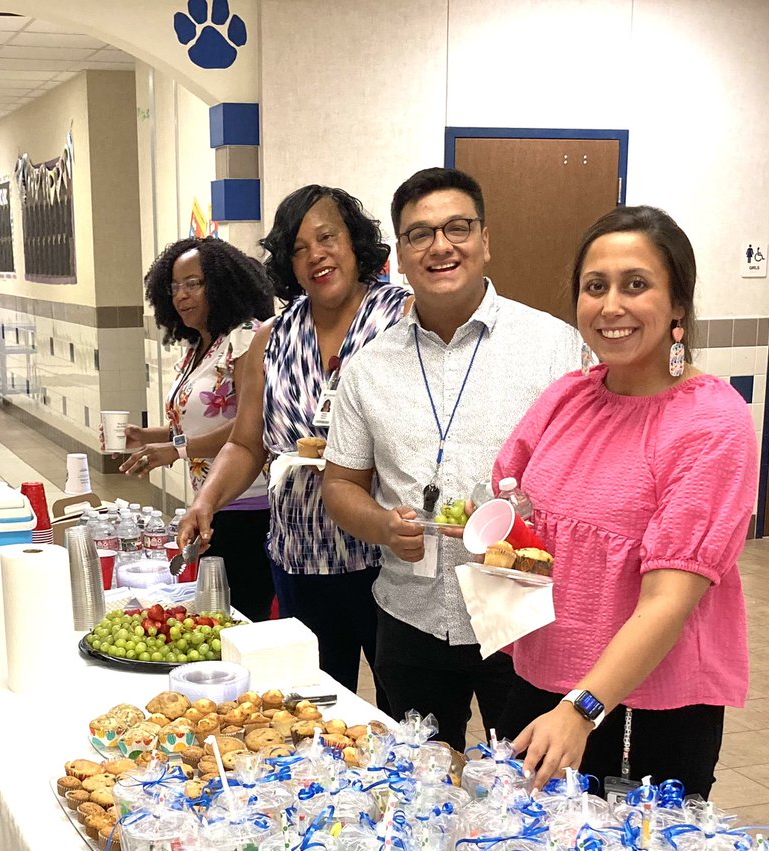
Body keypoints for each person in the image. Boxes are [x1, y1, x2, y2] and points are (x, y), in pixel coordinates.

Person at [494, 205, 758, 795]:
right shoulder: (568, 398)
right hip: (543, 682)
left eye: (635, 285)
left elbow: (670, 599)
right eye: (595, 287)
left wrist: (583, 709)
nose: (611, 305)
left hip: (640, 709)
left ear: (678, 305)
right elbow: (519, 509)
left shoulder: (711, 422)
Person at [323, 167, 582, 750]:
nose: (440, 246)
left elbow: (589, 477)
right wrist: (383, 527)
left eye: (457, 228)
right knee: (422, 781)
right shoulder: (369, 366)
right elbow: (340, 485)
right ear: (401, 255)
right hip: (409, 613)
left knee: (522, 791)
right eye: (420, 234)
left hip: (521, 616)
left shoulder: (554, 348)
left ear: (485, 240)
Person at [178, 186, 412, 697]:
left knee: (399, 709)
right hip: (300, 556)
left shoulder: (402, 319)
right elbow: (246, 444)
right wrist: (206, 500)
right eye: (298, 249)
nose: (315, 256)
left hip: (387, 556)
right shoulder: (272, 338)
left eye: (326, 238)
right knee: (314, 705)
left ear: (355, 243)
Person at [115, 237, 276, 621]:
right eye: (173, 286)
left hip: (249, 507)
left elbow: (250, 424)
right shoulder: (202, 347)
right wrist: (149, 436)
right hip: (213, 505)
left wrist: (178, 449)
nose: (181, 295)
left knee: (238, 620)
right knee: (215, 617)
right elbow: (200, 422)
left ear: (221, 285)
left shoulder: (245, 339)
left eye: (194, 283)